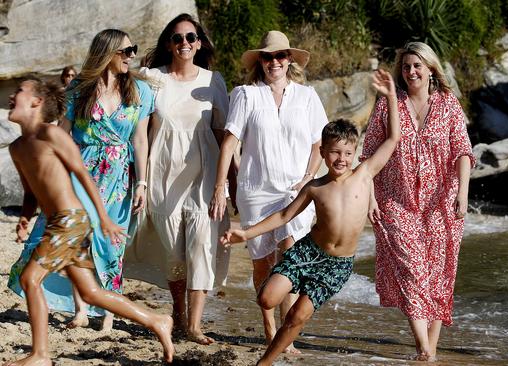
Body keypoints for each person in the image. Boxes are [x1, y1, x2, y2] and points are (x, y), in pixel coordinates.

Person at [220, 69, 400, 366]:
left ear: (355, 151)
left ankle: (265, 362)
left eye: (346, 152)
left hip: (338, 264)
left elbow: (394, 138)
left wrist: (391, 96)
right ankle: (272, 300)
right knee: (267, 299)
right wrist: (246, 233)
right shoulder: (316, 186)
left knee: (297, 315)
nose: (340, 159)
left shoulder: (364, 175)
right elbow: (284, 215)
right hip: (308, 252)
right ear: (323, 153)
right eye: (333, 153)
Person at [5, 77, 174, 365]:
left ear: (36, 102)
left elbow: (84, 175)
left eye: (19, 91)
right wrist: (24, 216)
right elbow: (31, 190)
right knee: (91, 292)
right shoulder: (18, 147)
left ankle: (41, 355)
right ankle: (157, 320)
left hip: (71, 221)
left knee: (30, 279)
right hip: (59, 222)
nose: (11, 96)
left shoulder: (53, 136)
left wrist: (104, 218)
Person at [8, 29, 153, 332]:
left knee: (112, 244)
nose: (131, 56)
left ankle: (109, 314)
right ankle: (81, 310)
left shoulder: (140, 90)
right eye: (126, 51)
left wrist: (142, 183)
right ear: (108, 53)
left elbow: (140, 141)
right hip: (82, 169)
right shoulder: (79, 89)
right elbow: (63, 133)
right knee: (81, 239)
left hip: (119, 178)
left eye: (133, 51)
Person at [209, 30, 328, 353]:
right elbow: (230, 141)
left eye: (279, 56)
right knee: (262, 263)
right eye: (267, 57)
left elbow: (320, 143)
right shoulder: (245, 95)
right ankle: (269, 326)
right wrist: (221, 186)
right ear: (259, 61)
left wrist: (308, 177)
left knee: (289, 259)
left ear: (289, 59)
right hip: (256, 190)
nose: (274, 62)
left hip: (295, 191)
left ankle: (284, 337)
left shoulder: (307, 96)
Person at [361, 42, 474, 361]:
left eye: (417, 66)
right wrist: (370, 197)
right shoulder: (388, 103)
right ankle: (423, 345)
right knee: (413, 272)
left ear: (430, 69)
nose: (411, 71)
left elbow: (462, 151)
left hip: (442, 203)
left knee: (439, 277)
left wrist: (462, 193)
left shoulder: (448, 103)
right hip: (396, 201)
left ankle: (431, 350)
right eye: (407, 66)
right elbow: (368, 153)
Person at [136, 13, 234, 344]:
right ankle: (177, 311)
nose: (184, 44)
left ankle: (194, 325)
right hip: (162, 171)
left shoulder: (213, 80)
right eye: (177, 38)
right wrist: (140, 179)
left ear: (200, 42)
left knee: (203, 245)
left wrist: (229, 184)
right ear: (168, 43)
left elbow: (223, 136)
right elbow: (140, 134)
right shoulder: (151, 78)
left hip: (204, 172)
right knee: (173, 252)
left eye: (191, 37)